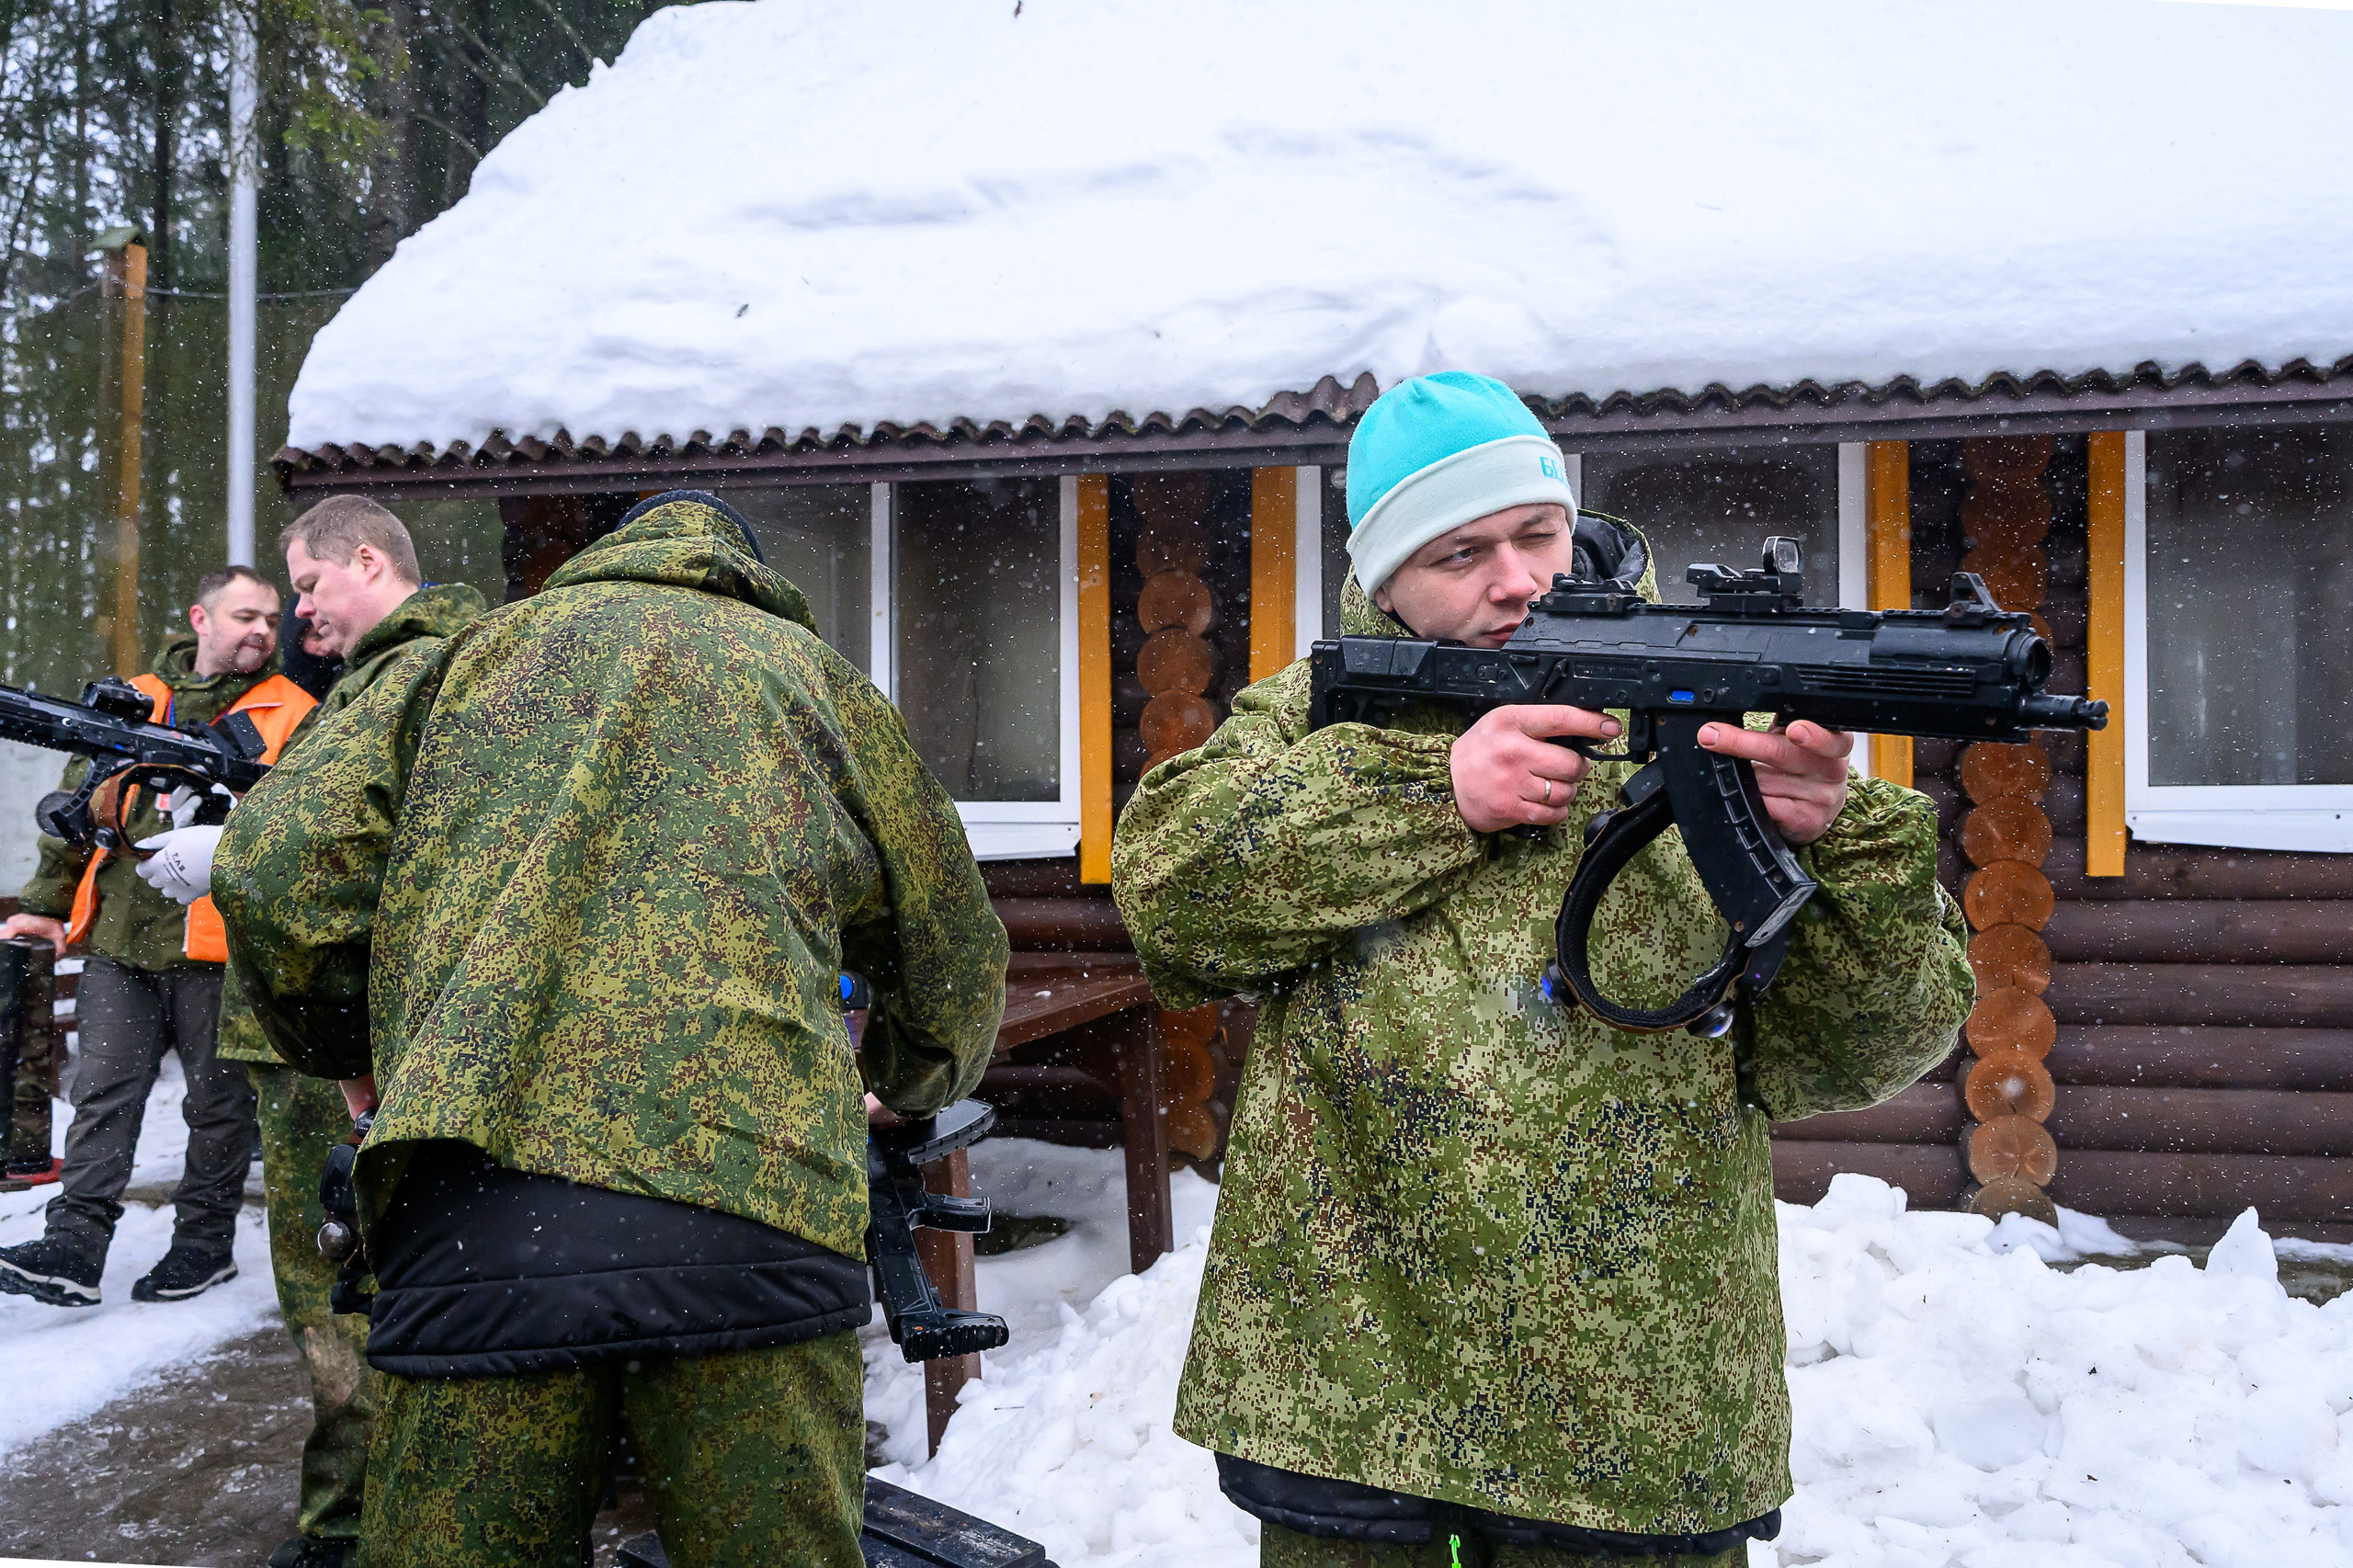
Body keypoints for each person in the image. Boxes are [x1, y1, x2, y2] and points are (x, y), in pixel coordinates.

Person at [1113, 373, 1974, 1568]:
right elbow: (1174, 910)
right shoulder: (1314, 715)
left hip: (1635, 1406)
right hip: (1354, 1393)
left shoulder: (1713, 714)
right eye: (1461, 552)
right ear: (1386, 576)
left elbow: (1861, 1052)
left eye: (1536, 532)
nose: (1515, 577)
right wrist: (1433, 794)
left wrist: (1843, 846)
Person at [213, 491, 1008, 1567]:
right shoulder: (809, 676)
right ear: (747, 570)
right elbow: (954, 953)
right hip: (754, 1222)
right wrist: (907, 1077)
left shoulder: (465, 663)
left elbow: (275, 864)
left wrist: (356, 1052)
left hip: (473, 1225)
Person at [140, 495, 487, 1568]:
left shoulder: (402, 676)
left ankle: (353, 1526)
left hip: (334, 1036)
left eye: (306, 585)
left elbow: (352, 862)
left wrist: (231, 858)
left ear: (368, 560)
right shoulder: (445, 665)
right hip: (365, 1028)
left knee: (340, 1285)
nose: (297, 613)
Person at [0, 565, 314, 1307]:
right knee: (105, 1095)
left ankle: (203, 1247)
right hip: (121, 937)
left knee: (218, 1106)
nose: (263, 631)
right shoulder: (139, 699)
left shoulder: (294, 709)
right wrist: (45, 904)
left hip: (222, 946)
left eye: (272, 619)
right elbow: (79, 809)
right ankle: (74, 1245)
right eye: (245, 617)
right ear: (200, 621)